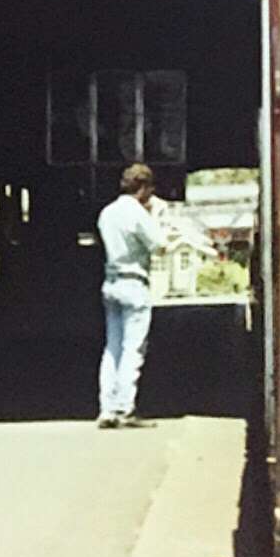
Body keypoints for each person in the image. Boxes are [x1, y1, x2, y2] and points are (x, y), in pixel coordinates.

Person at [95, 163, 206, 429]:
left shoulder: (107, 212)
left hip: (111, 282)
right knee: (133, 348)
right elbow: (159, 245)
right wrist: (156, 215)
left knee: (112, 348)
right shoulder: (136, 213)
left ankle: (107, 408)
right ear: (143, 188)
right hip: (134, 283)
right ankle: (125, 408)